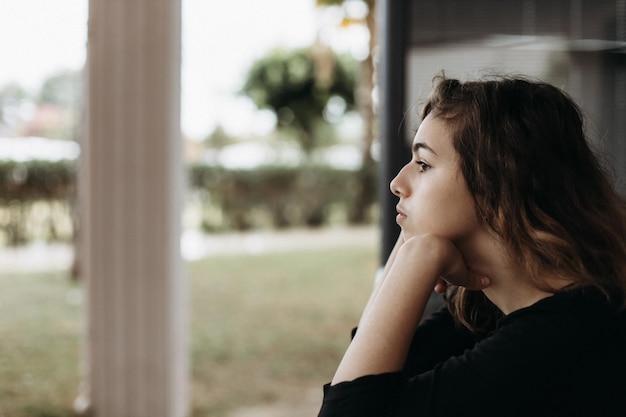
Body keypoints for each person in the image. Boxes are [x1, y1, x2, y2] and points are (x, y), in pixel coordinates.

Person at [317, 75, 626, 417]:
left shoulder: (563, 338)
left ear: (498, 186)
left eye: (423, 164)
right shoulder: (488, 307)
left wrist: (420, 254)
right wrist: (413, 251)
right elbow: (371, 374)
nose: (396, 183)